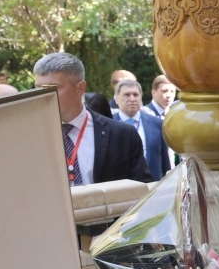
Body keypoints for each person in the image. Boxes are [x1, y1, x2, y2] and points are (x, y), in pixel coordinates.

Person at [33, 54, 152, 185]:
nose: (43, 96)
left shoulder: (122, 135)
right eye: (38, 89)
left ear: (80, 88)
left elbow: (142, 190)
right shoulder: (28, 137)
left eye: (52, 88)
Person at [114, 79, 171, 181]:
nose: (132, 99)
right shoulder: (107, 125)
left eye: (135, 95)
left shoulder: (157, 124)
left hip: (153, 187)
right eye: (127, 95)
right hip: (120, 187)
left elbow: (165, 162)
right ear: (116, 99)